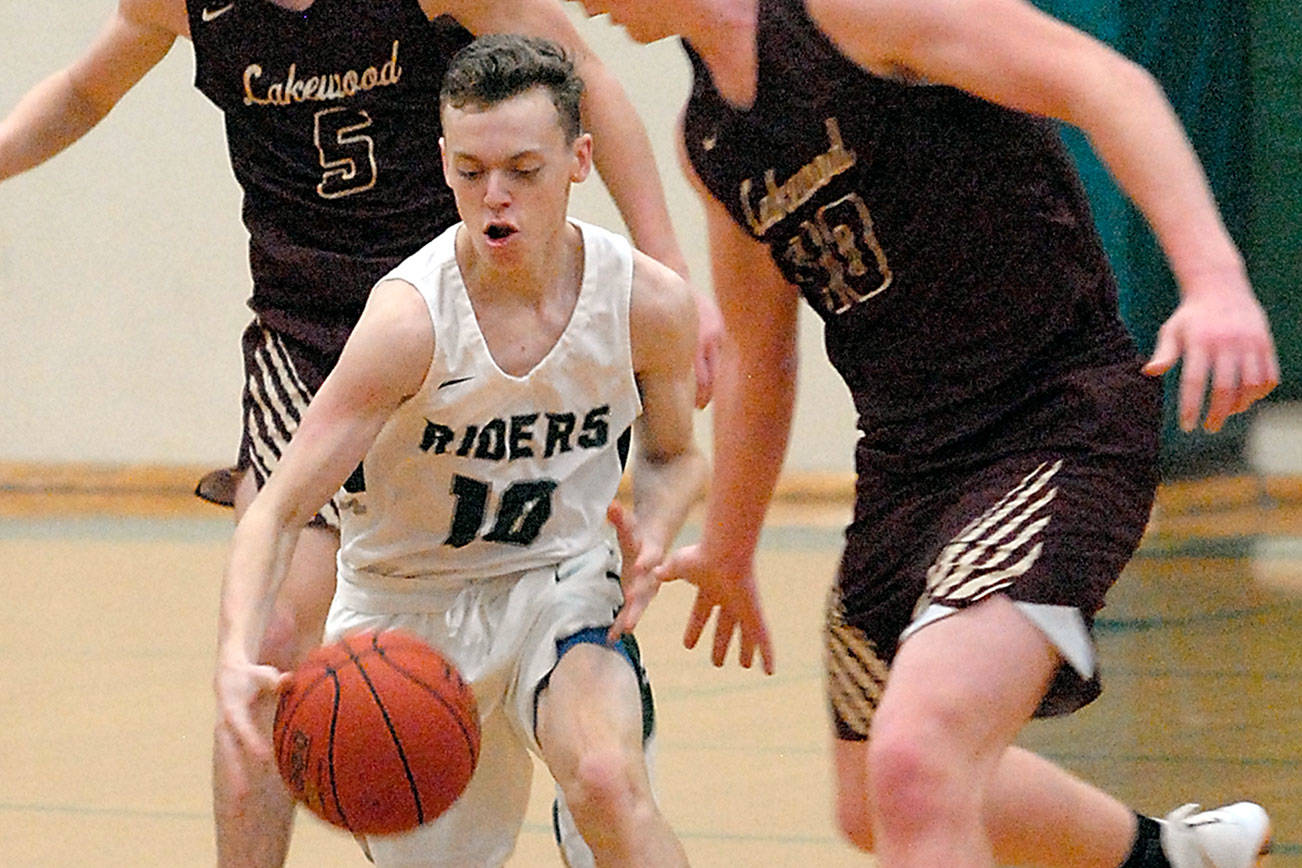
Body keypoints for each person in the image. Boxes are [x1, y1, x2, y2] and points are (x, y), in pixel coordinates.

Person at [0, 2, 720, 864]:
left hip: (460, 318)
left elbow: (581, 78)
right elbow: (83, 90)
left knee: (597, 755)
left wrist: (666, 264)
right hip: (312, 335)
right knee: (266, 649)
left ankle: (583, 754)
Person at [572, 1, 1281, 867]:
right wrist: (729, 544)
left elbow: (1110, 83)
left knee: (917, 762)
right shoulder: (710, 137)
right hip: (906, 474)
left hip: (1049, 426)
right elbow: (764, 357)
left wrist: (1215, 279)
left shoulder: (855, 14)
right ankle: (1170, 858)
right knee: (874, 798)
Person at [215, 33, 702, 867]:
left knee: (608, 784)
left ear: (579, 160)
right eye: (471, 172)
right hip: (407, 618)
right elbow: (281, 508)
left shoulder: (647, 304)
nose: (496, 197)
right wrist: (234, 650)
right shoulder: (408, 323)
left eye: (523, 169)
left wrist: (655, 526)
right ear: (442, 164)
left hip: (559, 582)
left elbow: (676, 455)